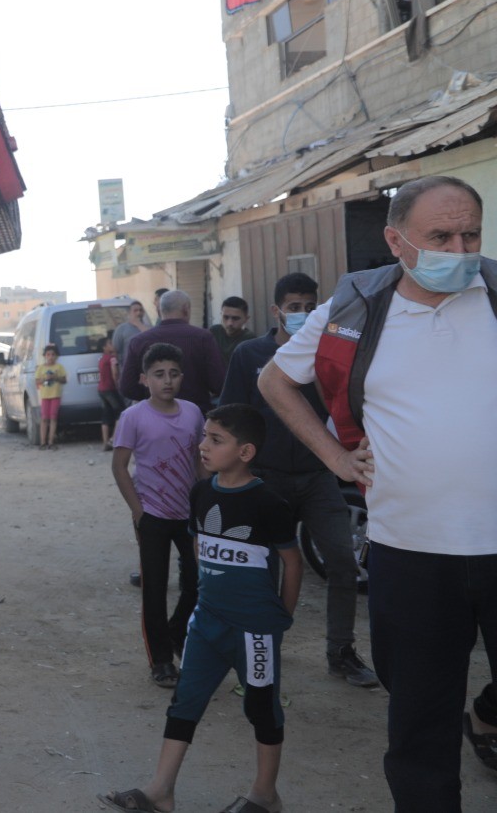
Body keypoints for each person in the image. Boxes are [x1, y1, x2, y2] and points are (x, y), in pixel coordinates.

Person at [258, 175, 497, 811]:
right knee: (418, 723)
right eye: (440, 236)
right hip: (410, 553)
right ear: (395, 240)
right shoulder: (356, 312)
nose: (460, 246)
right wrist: (335, 457)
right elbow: (275, 381)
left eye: (470, 232)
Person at [102, 404, 301, 813]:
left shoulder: (268, 502)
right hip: (206, 624)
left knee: (262, 707)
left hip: (255, 630)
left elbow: (292, 562)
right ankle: (161, 791)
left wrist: (281, 616)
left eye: (215, 439)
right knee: (185, 702)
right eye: (204, 436)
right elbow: (197, 545)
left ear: (245, 452)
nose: (202, 445)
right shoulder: (201, 492)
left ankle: (266, 796)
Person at [220, 272, 377, 688]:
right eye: (294, 307)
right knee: (264, 568)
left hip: (319, 477)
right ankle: (262, 649)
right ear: (276, 311)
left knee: (343, 564)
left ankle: (341, 652)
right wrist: (232, 477)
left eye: (310, 306)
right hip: (266, 481)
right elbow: (231, 417)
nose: (303, 314)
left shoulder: (328, 351)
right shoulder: (249, 354)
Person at [112, 342, 205, 688]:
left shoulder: (193, 413)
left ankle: (176, 629)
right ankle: (161, 661)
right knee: (154, 588)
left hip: (189, 515)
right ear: (144, 379)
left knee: (198, 580)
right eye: (159, 374)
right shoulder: (133, 417)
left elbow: (200, 458)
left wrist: (205, 500)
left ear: (182, 377)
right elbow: (119, 466)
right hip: (152, 515)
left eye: (174, 374)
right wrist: (138, 511)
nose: (167, 381)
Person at [119, 290, 225, 412]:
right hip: (196, 417)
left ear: (159, 311)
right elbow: (219, 384)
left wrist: (152, 397)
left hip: (154, 418)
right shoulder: (203, 338)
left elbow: (127, 388)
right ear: (186, 309)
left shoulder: (139, 341)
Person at [35, 343, 67, 450]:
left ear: (56, 356)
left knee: (53, 418)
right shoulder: (41, 368)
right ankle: (43, 442)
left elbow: (64, 380)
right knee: (44, 418)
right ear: (45, 356)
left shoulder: (59, 367)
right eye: (48, 355)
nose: (50, 357)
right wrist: (44, 379)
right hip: (45, 396)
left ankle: (51, 441)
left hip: (55, 395)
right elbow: (37, 381)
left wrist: (55, 377)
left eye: (53, 355)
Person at [209, 296, 254, 366]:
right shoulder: (213, 332)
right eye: (225, 317)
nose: (230, 323)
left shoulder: (250, 340)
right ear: (221, 315)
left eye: (235, 318)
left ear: (246, 319)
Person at [98, 338, 123, 451]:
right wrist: (117, 384)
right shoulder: (112, 358)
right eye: (110, 343)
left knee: (106, 414)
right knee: (120, 412)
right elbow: (115, 372)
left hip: (101, 389)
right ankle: (113, 439)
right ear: (104, 347)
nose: (112, 345)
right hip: (110, 389)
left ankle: (105, 442)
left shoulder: (102, 358)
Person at [112, 300, 149, 372]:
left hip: (146, 370)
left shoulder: (149, 328)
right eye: (135, 310)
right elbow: (115, 350)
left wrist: (138, 324)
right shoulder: (121, 329)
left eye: (140, 310)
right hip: (129, 370)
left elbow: (152, 341)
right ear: (129, 313)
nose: (138, 313)